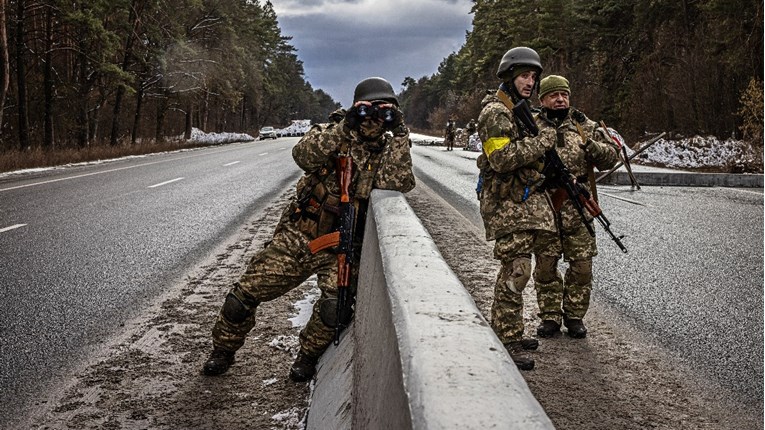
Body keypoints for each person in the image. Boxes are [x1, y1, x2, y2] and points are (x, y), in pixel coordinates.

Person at [202, 77, 416, 382]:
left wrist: (401, 134)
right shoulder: (332, 133)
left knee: (334, 310)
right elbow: (302, 155)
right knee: (243, 296)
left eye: (385, 111)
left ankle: (307, 357)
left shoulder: (387, 148)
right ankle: (222, 350)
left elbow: (399, 182)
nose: (375, 118)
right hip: (301, 236)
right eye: (369, 110)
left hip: (341, 246)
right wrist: (346, 127)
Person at [475, 46, 557, 371]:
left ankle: (511, 330)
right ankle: (507, 338)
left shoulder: (518, 111)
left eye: (534, 77)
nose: (530, 82)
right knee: (517, 270)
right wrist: (542, 143)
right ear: (509, 76)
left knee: (518, 268)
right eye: (524, 75)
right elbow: (502, 158)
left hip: (520, 204)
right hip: (505, 205)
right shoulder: (495, 112)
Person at [532, 75, 620, 339]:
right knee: (546, 267)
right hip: (545, 206)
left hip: (578, 208)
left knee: (581, 268)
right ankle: (549, 317)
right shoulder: (533, 126)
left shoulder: (585, 126)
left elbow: (611, 158)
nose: (560, 99)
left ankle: (574, 317)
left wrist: (592, 147)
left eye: (564, 95)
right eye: (554, 95)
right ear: (543, 99)